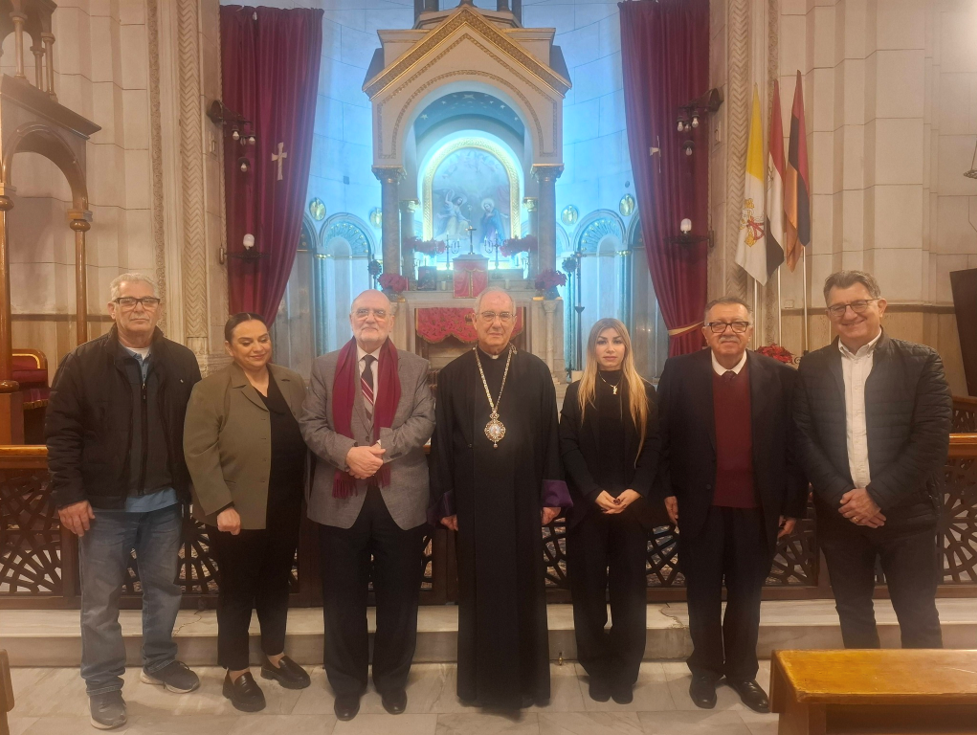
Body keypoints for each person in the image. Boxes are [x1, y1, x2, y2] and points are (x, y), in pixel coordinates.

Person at [45, 273, 202, 730]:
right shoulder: (82, 363)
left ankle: (159, 661)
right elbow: (60, 436)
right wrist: (70, 495)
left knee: (164, 591)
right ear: (111, 309)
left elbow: (195, 432)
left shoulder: (181, 361)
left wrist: (195, 493)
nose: (139, 308)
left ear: (159, 307)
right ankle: (103, 683)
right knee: (99, 603)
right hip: (104, 507)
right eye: (128, 301)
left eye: (147, 300)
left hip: (165, 504)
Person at [655, 297, 806, 713]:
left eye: (737, 324)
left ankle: (742, 673)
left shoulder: (780, 377)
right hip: (697, 507)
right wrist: (667, 491)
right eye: (718, 324)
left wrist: (792, 506)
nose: (728, 332)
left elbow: (795, 447)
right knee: (701, 594)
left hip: (757, 509)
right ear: (703, 331)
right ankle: (705, 670)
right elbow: (660, 438)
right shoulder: (680, 372)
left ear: (750, 330)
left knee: (747, 596)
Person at [430, 287, 571, 709]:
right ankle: (480, 685)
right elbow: (443, 444)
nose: (495, 323)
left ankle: (528, 683)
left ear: (515, 322)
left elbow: (551, 437)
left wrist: (550, 496)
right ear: (472, 321)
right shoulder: (454, 373)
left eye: (503, 316)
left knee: (524, 588)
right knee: (479, 590)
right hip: (473, 505)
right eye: (487, 315)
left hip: (523, 499)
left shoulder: (536, 370)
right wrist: (448, 503)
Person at [794, 271, 951, 649]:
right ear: (828, 314)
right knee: (853, 613)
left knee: (918, 614)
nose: (849, 314)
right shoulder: (812, 366)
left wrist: (876, 496)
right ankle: (866, 704)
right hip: (842, 515)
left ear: (881, 306)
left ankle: (926, 705)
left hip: (907, 514)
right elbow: (802, 437)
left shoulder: (921, 361)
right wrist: (846, 497)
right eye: (838, 307)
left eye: (858, 303)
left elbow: (931, 440)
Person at [300, 289, 435, 721]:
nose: (371, 319)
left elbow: (424, 419)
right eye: (363, 312)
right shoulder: (324, 366)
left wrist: (377, 450)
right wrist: (347, 454)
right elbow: (311, 423)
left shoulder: (417, 367)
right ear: (350, 317)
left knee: (400, 596)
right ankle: (347, 682)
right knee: (342, 597)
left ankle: (393, 680)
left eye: (379, 312)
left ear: (392, 320)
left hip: (402, 498)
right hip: (341, 498)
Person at [183, 313, 311, 713]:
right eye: (246, 342)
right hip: (235, 512)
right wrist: (221, 505)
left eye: (263, 339)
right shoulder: (211, 389)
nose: (258, 347)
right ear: (229, 348)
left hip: (287, 505)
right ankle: (235, 672)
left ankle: (274, 657)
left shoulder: (292, 382)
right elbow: (198, 452)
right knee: (237, 592)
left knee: (276, 584)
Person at [559, 318, 660, 704]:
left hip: (632, 510)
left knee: (629, 592)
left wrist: (637, 490)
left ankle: (626, 668)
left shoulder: (645, 392)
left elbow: (654, 445)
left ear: (627, 347)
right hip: (589, 508)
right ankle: (597, 666)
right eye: (602, 342)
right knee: (587, 592)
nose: (610, 348)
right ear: (592, 349)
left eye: (617, 341)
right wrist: (592, 491)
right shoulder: (576, 393)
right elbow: (567, 446)